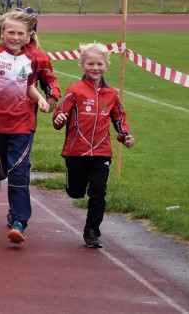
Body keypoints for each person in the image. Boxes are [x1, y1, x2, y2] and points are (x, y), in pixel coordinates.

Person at [0, 11, 54, 244]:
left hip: (23, 123)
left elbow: (39, 83)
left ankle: (19, 221)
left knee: (19, 171)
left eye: (21, 33)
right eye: (11, 32)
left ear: (29, 35)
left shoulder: (35, 58)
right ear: (1, 34)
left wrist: (46, 99)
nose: (15, 37)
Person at [53, 43, 134, 248]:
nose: (95, 67)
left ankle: (92, 231)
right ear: (82, 65)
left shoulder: (112, 94)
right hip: (76, 151)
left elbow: (119, 118)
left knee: (98, 191)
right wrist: (59, 119)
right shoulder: (74, 91)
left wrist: (125, 136)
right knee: (76, 192)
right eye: (90, 63)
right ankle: (75, 185)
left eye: (99, 64)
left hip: (101, 151)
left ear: (106, 66)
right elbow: (59, 116)